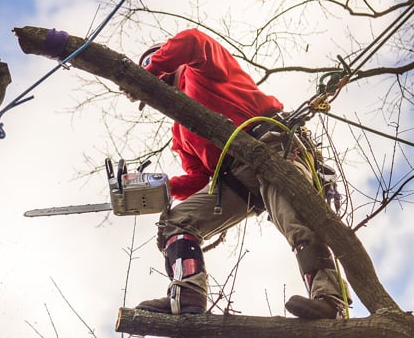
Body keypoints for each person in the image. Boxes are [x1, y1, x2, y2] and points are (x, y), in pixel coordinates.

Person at [131, 28, 347, 319]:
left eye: (155, 65)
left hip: (268, 146)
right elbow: (197, 177)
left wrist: (150, 70)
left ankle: (329, 300)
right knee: (177, 221)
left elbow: (193, 41)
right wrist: (159, 188)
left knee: (296, 219)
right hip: (236, 181)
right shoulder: (180, 133)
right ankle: (188, 294)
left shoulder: (201, 69)